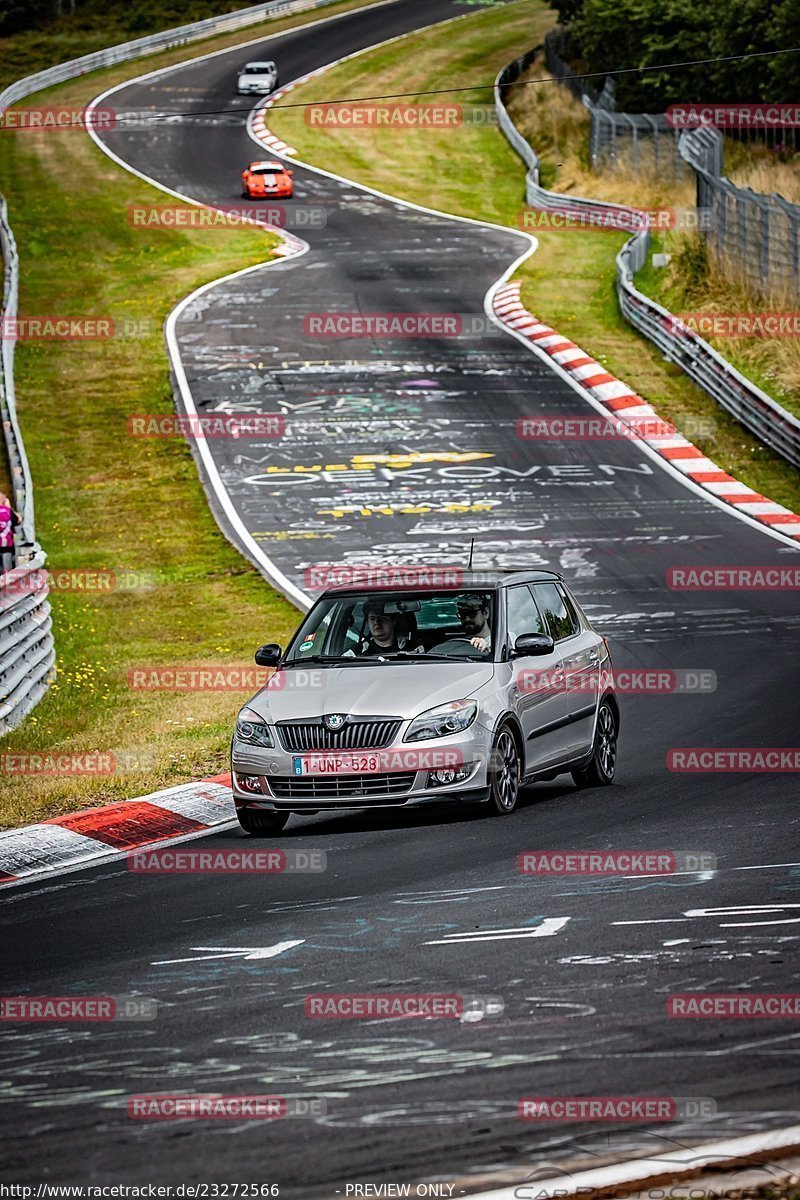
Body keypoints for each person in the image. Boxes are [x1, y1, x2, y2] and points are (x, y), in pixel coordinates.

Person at [346, 598, 425, 657]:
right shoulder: (356, 653)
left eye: (383, 618)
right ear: (367, 623)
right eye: (372, 619)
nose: (377, 622)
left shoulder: (414, 649)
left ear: (393, 621)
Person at [0, 492, 21, 576]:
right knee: (7, 572)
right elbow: (18, 520)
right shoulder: (8, 511)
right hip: (7, 547)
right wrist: (8, 507)